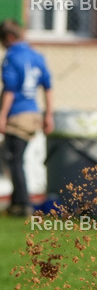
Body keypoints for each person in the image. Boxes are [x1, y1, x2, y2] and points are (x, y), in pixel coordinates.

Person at [0, 19, 54, 217]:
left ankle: (22, 205)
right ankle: (18, 203)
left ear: (9, 38)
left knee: (14, 160)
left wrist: (2, 116)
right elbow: (48, 87)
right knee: (17, 159)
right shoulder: (36, 55)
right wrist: (48, 115)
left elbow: (10, 90)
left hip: (18, 114)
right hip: (34, 113)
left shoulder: (11, 57)